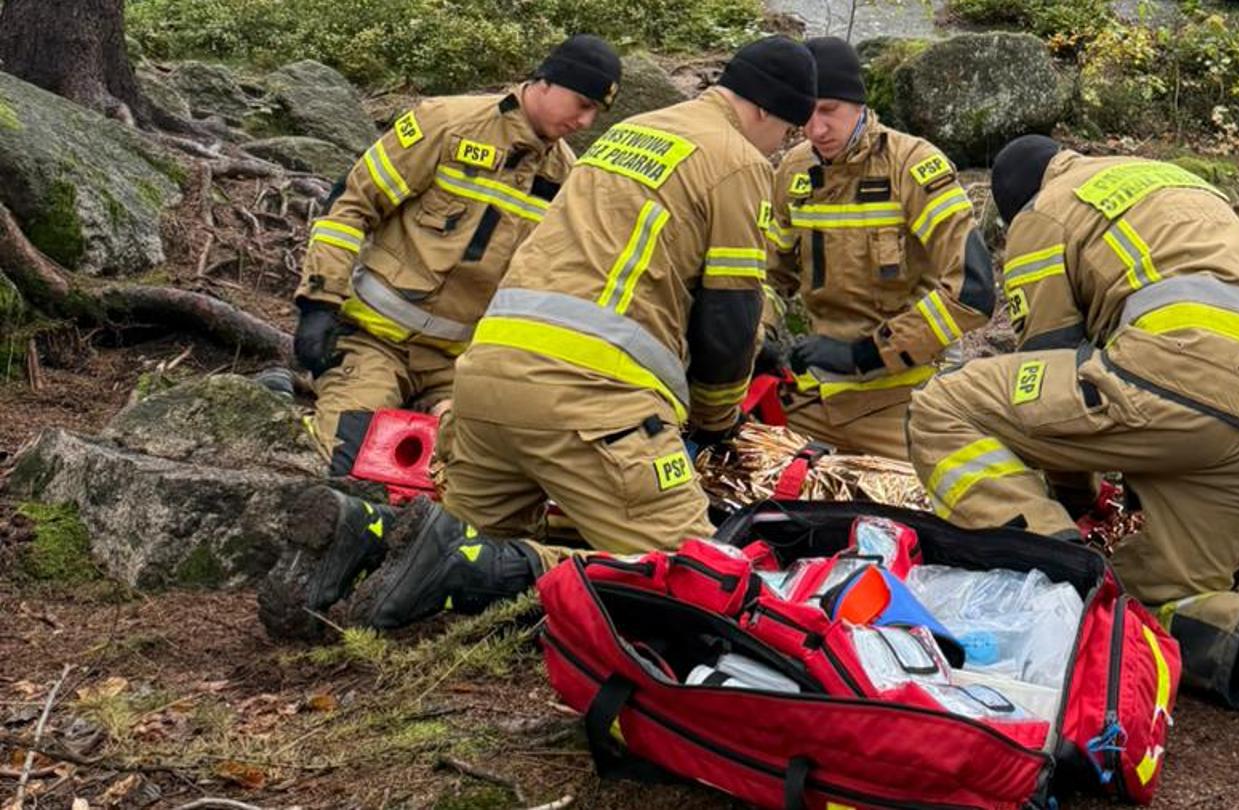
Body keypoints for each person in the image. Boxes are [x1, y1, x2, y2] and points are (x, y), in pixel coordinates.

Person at [257, 37, 818, 640]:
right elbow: (729, 311)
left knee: (459, 540)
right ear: (765, 110)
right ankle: (486, 564)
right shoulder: (736, 161)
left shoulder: (624, 140)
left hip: (483, 382)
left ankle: (363, 531)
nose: (782, 148)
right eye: (787, 132)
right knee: (699, 581)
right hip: (587, 400)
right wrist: (715, 418)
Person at [904, 135, 1239, 773]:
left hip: (1174, 375)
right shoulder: (1168, 181)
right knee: (1153, 593)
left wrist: (1073, 510)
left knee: (944, 405)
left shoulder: (1044, 212)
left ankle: (1056, 574)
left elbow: (1046, 358)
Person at [293, 35, 619, 468]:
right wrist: (319, 302)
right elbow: (351, 207)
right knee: (349, 462)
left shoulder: (565, 178)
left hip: (456, 369)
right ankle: (289, 389)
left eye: (596, 112)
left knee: (476, 482)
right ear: (546, 81)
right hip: (376, 341)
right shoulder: (446, 123)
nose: (585, 121)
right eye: (581, 103)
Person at [757, 37, 993, 460]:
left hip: (905, 394)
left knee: (961, 499)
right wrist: (759, 339)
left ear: (860, 104)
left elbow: (973, 293)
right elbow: (771, 276)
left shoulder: (913, 165)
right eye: (805, 114)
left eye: (829, 110)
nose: (816, 130)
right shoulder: (793, 169)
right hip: (814, 394)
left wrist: (863, 354)